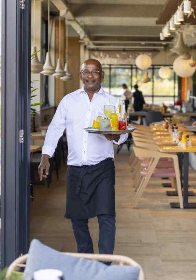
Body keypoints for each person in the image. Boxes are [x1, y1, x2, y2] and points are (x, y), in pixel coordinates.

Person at [38, 59, 128, 259]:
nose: (90, 76)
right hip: (76, 168)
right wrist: (46, 156)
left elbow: (123, 133)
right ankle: (87, 259)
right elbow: (54, 129)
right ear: (81, 75)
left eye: (95, 72)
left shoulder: (113, 102)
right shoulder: (69, 101)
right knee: (78, 219)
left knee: (107, 217)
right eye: (86, 72)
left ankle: (104, 265)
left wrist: (115, 136)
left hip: (103, 168)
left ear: (102, 76)